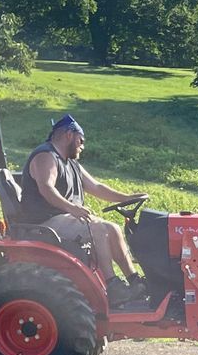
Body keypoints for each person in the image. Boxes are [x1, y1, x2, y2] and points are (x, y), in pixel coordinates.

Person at [18, 114, 148, 297]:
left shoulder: (71, 163)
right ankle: (112, 285)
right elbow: (46, 187)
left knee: (113, 228)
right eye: (81, 140)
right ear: (69, 135)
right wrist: (72, 208)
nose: (82, 146)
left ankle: (135, 281)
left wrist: (125, 198)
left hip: (63, 219)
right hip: (45, 222)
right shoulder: (46, 156)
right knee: (97, 227)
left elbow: (96, 187)